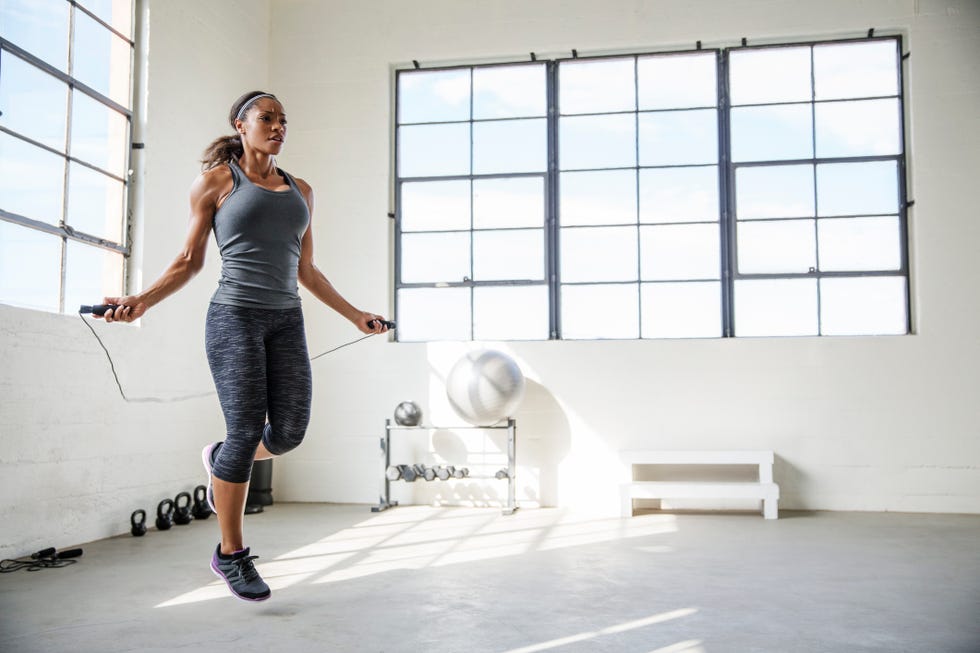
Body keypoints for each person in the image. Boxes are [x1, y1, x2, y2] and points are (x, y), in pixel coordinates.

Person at [97, 90, 389, 602]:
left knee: (291, 431)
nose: (278, 127)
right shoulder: (216, 182)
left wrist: (354, 315)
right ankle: (230, 554)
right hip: (233, 317)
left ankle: (223, 457)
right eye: (267, 118)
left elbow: (307, 270)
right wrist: (141, 301)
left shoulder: (301, 190)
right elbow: (189, 260)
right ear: (241, 124)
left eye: (283, 120)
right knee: (247, 427)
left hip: (286, 319)